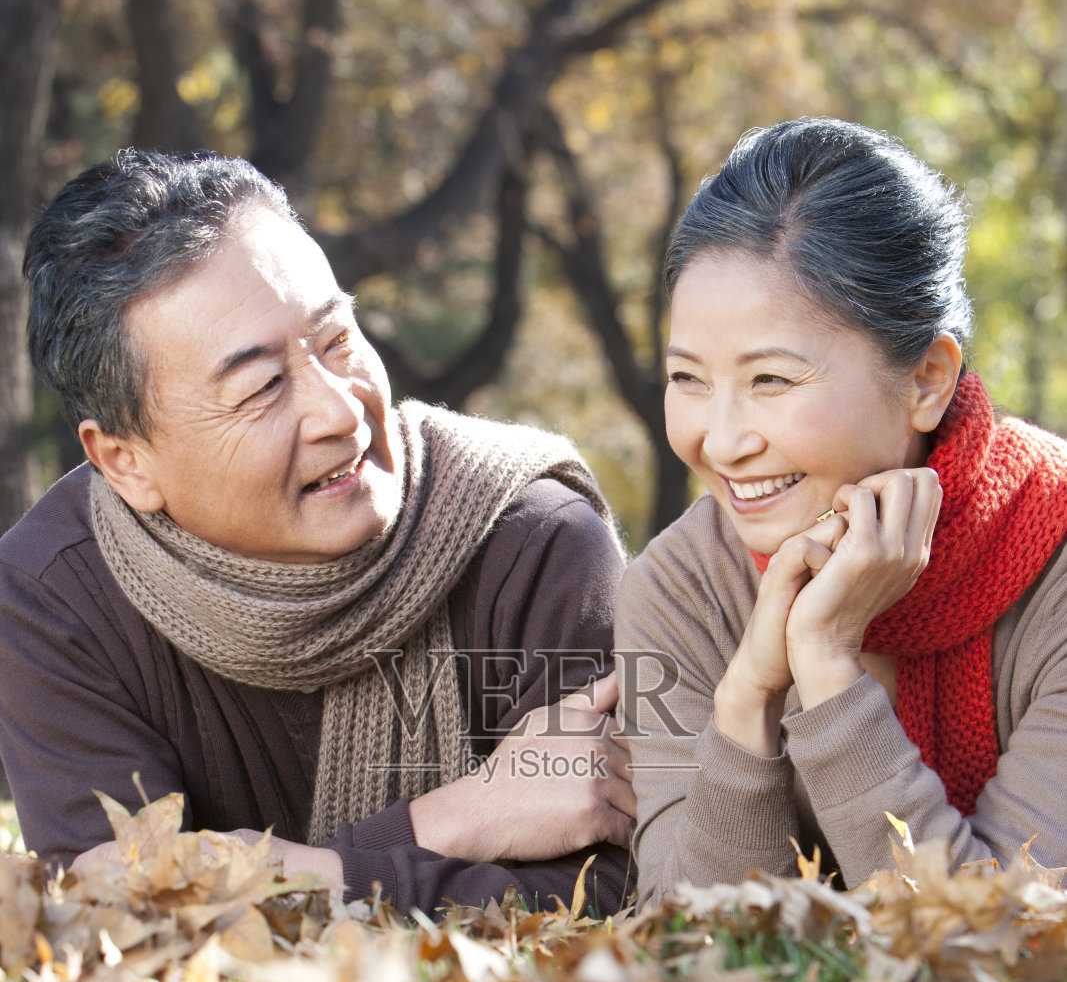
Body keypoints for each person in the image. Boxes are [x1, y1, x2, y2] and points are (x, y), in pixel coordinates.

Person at [1, 149, 636, 914]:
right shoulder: (53, 595)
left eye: (337, 340)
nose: (340, 411)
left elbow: (609, 893)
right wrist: (456, 819)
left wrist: (270, 874)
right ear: (126, 462)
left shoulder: (530, 539)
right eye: (261, 386)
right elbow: (123, 909)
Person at [615, 117, 1067, 903]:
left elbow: (1004, 941)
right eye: (687, 378)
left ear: (926, 378)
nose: (719, 442)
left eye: (770, 381)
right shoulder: (676, 593)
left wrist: (825, 666)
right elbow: (685, 943)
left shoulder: (1051, 558)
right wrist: (747, 700)